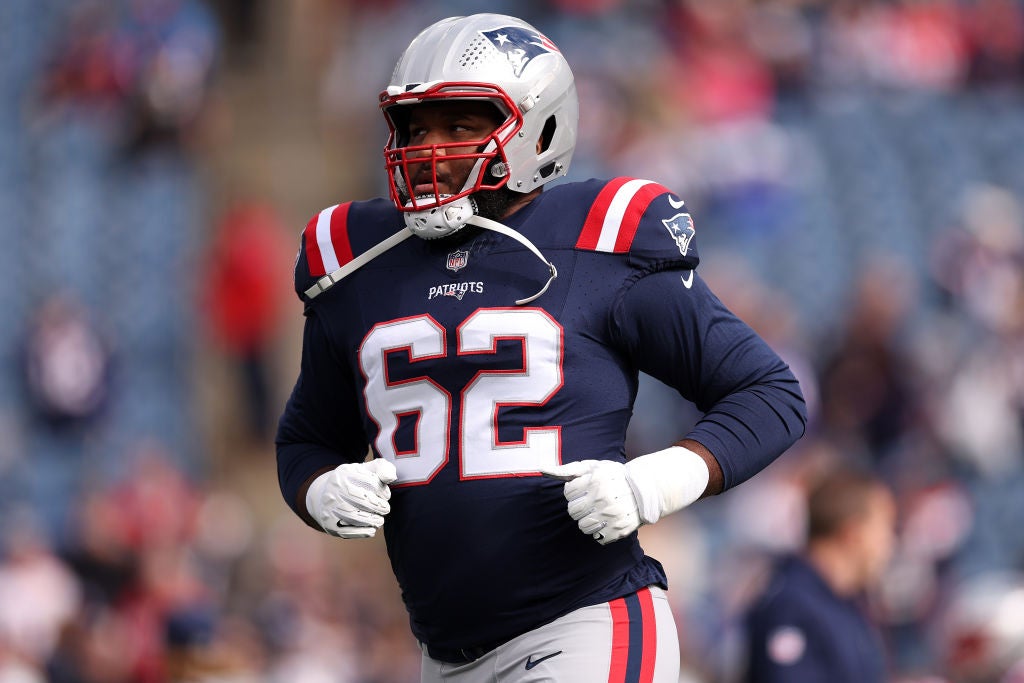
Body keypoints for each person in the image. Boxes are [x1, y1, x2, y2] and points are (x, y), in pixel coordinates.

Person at [276, 13, 807, 682]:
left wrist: (653, 482)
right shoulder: (360, 265)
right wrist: (320, 487)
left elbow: (769, 394)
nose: (428, 146)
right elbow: (305, 439)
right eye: (415, 127)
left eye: (460, 124)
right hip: (442, 655)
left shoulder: (598, 241)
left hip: (585, 623)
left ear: (538, 126)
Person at [742, 467, 897, 683]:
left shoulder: (845, 600)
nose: (890, 543)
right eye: (885, 527)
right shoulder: (791, 605)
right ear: (853, 534)